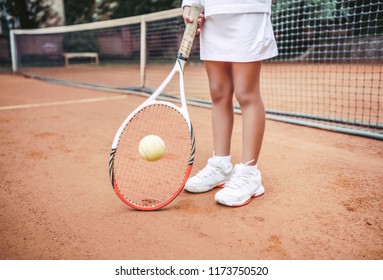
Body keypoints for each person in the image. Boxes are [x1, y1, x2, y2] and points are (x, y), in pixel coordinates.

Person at [182, 0, 278, 207]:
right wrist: (189, 5)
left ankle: (249, 174)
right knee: (218, 93)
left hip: (247, 11)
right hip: (213, 16)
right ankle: (221, 166)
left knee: (246, 93)